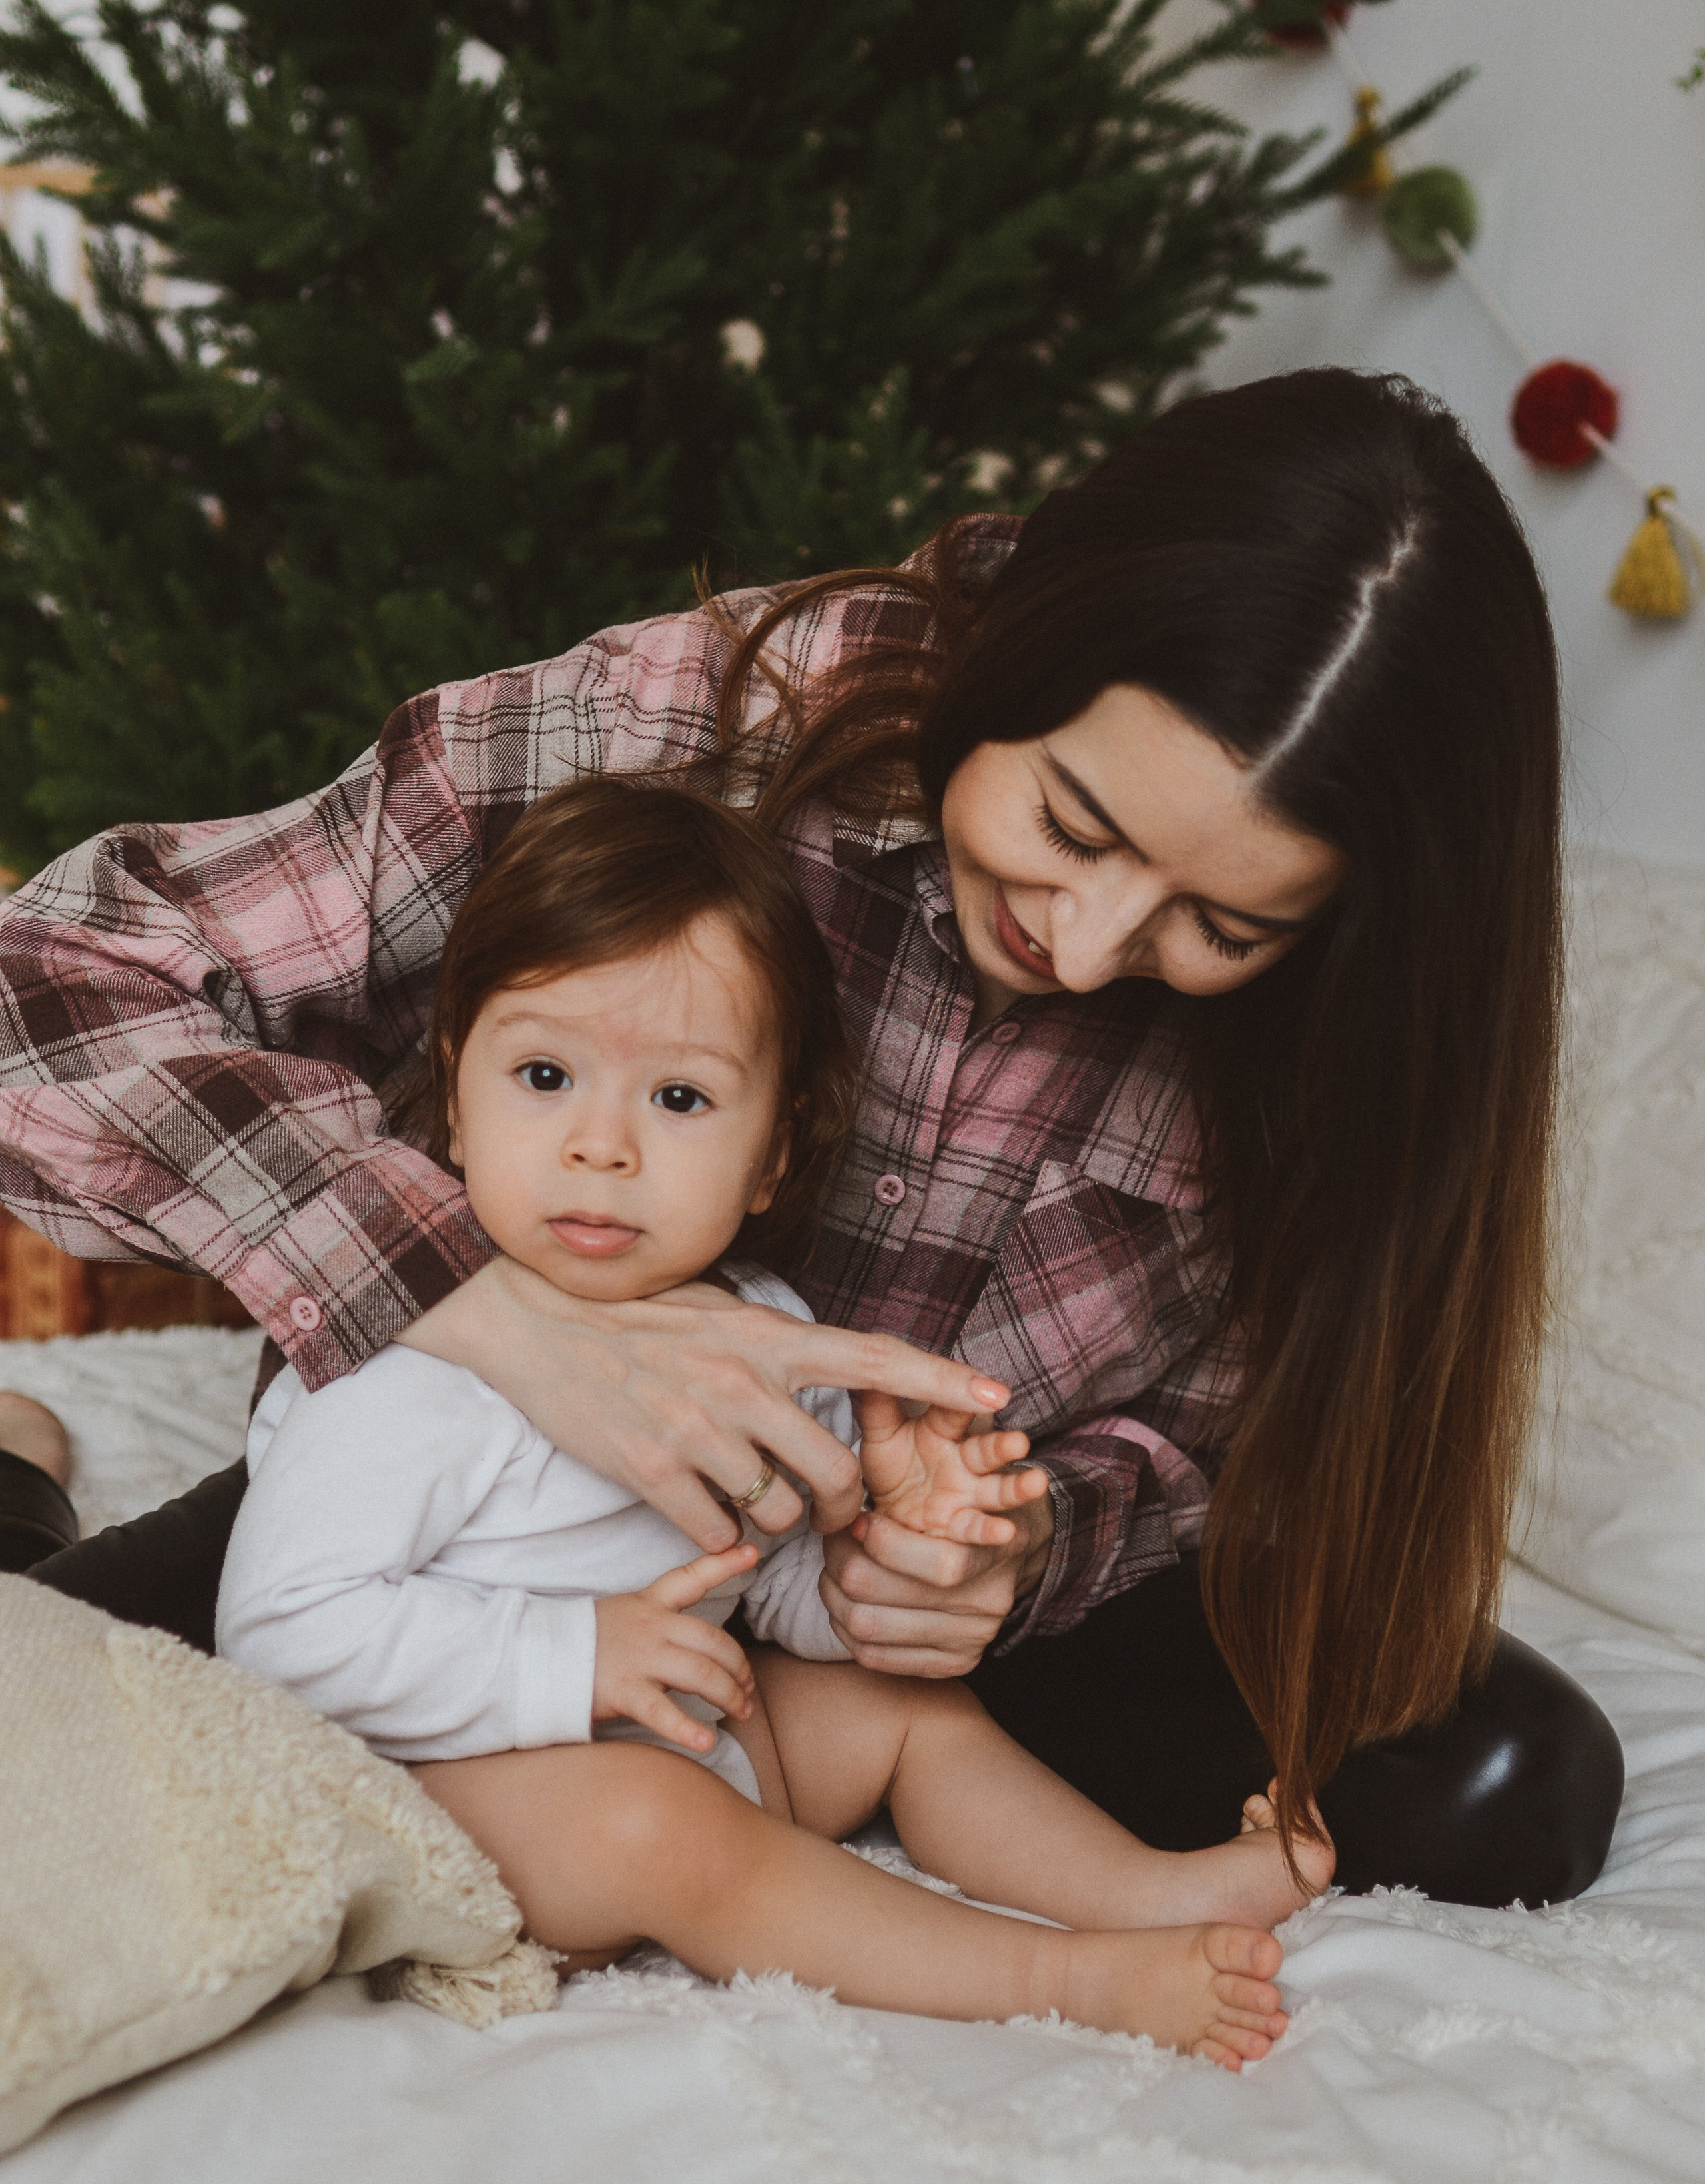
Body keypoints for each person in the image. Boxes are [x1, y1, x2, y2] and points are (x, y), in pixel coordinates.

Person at [0, 368, 1623, 1906]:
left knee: (1512, 1786)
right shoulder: (706, 716)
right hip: (492, 1524)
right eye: (1069, 822)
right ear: (1018, 645)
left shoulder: (1345, 1019)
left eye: (1221, 922)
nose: (1093, 934)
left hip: (855, 1619)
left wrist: (1019, 1539)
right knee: (33, 1749)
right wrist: (487, 1308)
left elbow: (1233, 1419)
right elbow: (55, 979)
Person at [214, 775, 1331, 2065]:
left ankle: (1144, 1888)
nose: (600, 1144)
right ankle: (1064, 1973)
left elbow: (780, 1586)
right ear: (453, 1099)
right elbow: (279, 1630)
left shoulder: (764, 1325)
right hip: (443, 1796)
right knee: (655, 1822)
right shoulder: (409, 1372)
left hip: (675, 1734)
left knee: (903, 1717)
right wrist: (571, 1657)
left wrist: (871, 1541)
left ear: (775, 1156)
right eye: (541, 1074)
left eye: (679, 1098)